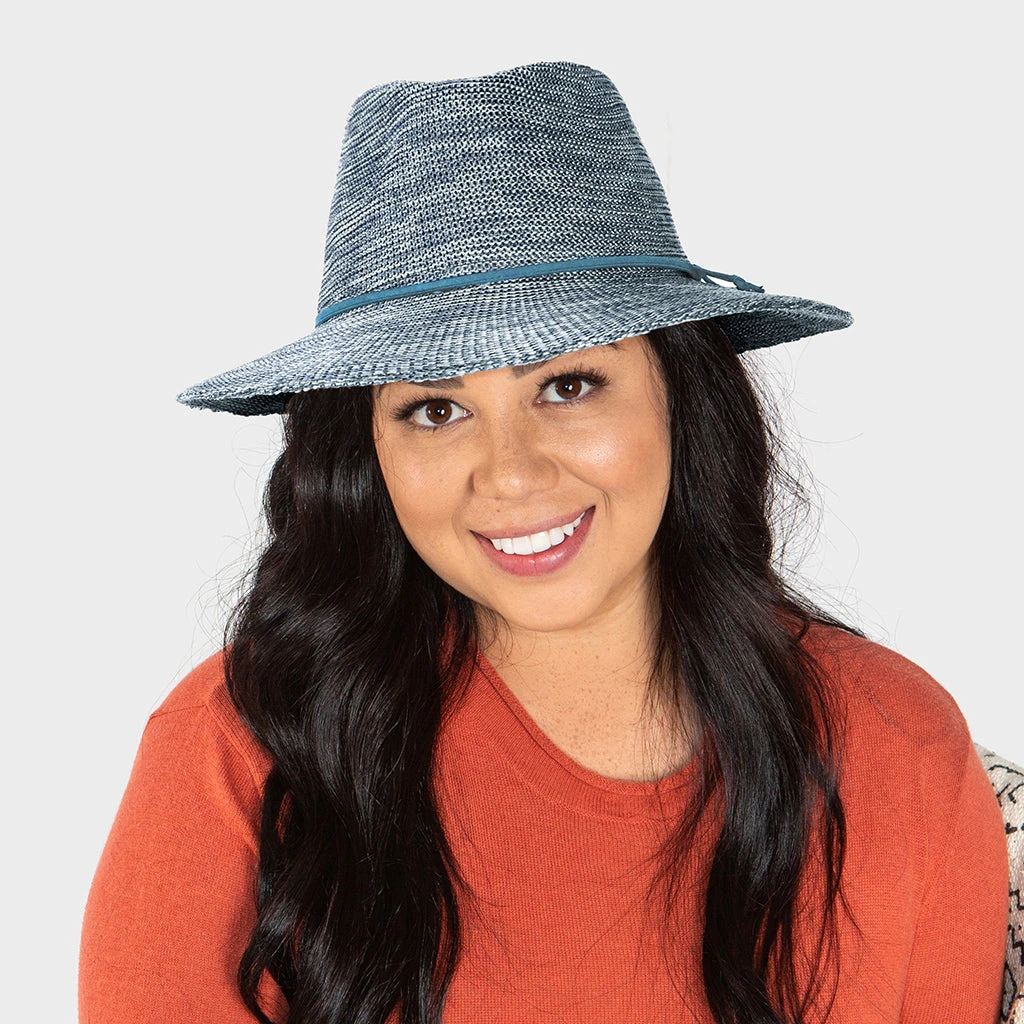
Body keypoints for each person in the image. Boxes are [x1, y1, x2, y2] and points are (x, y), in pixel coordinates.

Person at [78, 60, 1008, 1024]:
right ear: (367, 455)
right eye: (435, 409)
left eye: (567, 386)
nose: (512, 474)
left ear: (681, 395)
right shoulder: (239, 748)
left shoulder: (897, 745)